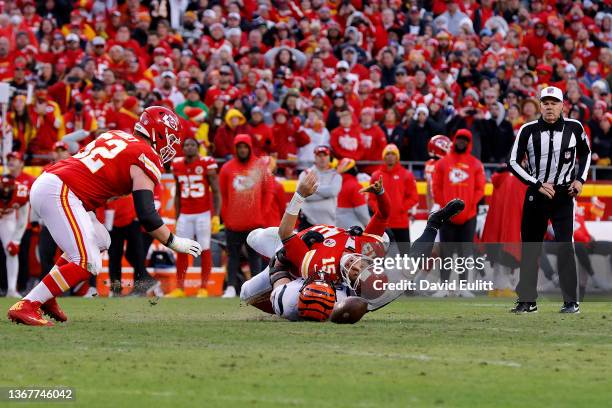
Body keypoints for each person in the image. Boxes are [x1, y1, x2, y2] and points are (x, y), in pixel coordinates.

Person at [7, 106, 202, 326]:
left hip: (55, 184)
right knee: (86, 262)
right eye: (170, 138)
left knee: (101, 240)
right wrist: (174, 242)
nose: (171, 145)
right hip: (61, 191)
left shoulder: (116, 134)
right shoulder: (146, 155)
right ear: (158, 132)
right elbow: (147, 214)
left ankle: (47, 296)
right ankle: (27, 304)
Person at [240, 172, 466, 323]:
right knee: (405, 265)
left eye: (356, 273)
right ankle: (435, 221)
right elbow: (388, 220)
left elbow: (285, 234)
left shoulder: (321, 268)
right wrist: (381, 194)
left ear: (349, 282)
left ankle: (277, 302)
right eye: (363, 265)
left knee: (249, 290)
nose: (355, 265)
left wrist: (299, 195)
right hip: (306, 240)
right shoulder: (366, 248)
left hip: (289, 256)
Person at [508, 86, 591, 314]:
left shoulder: (575, 128)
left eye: (554, 102)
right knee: (530, 248)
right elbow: (513, 162)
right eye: (545, 102)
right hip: (537, 195)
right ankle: (527, 300)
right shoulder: (527, 130)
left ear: (562, 105)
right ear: (540, 105)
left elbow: (585, 152)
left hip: (564, 195)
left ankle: (570, 300)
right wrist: (536, 184)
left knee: (565, 246)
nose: (549, 106)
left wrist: (580, 180)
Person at [431, 129, 486, 298]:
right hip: (447, 216)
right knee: (445, 252)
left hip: (468, 216)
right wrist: (445, 208)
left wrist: (469, 207)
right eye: (459, 139)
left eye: (465, 139)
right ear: (454, 141)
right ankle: (444, 287)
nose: (461, 142)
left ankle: (463, 287)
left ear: (469, 143)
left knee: (465, 252)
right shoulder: (442, 163)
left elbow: (480, 189)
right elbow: (436, 187)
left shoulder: (476, 164)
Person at [167, 137, 221, 298]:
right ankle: (179, 288)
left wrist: (216, 216)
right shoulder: (176, 165)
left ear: (197, 148)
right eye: (186, 145)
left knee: (204, 248)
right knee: (181, 249)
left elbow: (216, 192)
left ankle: (203, 287)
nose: (189, 147)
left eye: (192, 145)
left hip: (203, 213)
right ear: (182, 148)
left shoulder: (206, 163)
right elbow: (177, 193)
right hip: (185, 214)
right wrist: (177, 217)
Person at [218, 134, 271, 298]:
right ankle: (231, 287)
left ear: (249, 147)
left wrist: (263, 214)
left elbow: (268, 192)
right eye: (239, 147)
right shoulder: (227, 168)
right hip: (233, 223)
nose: (242, 150)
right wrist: (226, 217)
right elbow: (223, 196)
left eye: (245, 147)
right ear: (235, 148)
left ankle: (256, 289)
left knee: (255, 258)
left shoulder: (260, 166)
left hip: (254, 222)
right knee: (232, 257)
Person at [369, 144, 418, 255]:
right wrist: (380, 211)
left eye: (393, 154)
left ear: (397, 157)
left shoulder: (406, 175)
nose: (390, 156)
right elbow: (371, 199)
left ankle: (406, 273)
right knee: (380, 256)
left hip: (401, 223)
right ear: (384, 157)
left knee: (405, 255)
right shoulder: (376, 176)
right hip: (383, 224)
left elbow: (414, 197)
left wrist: (401, 207)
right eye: (387, 154)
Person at [297, 145, 342, 230]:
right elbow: (303, 196)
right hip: (308, 221)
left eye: (325, 155)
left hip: (329, 223)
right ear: (314, 157)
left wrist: (314, 188)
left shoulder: (336, 175)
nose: (322, 158)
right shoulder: (306, 173)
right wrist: (326, 193)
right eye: (319, 155)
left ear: (329, 157)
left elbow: (333, 191)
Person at [0, 176, 29, 298]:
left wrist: (16, 241)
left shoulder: (21, 192)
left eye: (9, 187)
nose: (6, 190)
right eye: (3, 187)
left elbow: (23, 218)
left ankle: (11, 289)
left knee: (12, 250)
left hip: (7, 217)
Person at [336, 158, 370, 230]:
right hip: (354, 227)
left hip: (337, 225)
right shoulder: (356, 186)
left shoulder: (336, 185)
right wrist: (368, 223)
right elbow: (361, 211)